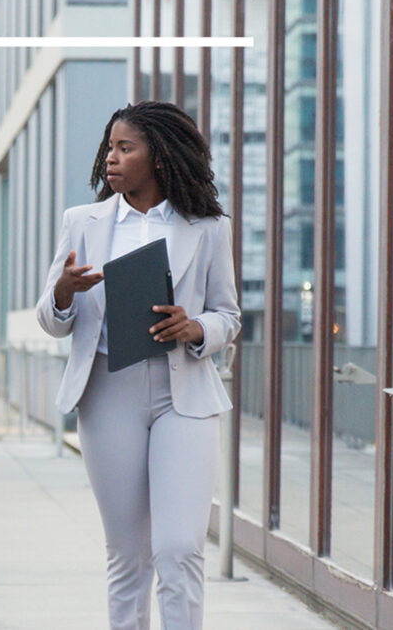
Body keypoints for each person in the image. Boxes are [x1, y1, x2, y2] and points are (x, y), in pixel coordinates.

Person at [37, 101, 241, 630]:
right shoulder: (81, 222)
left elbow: (229, 315)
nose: (112, 157)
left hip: (185, 394)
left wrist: (195, 327)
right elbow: (52, 321)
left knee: (179, 548)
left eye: (126, 148)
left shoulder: (208, 227)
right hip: (109, 392)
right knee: (129, 554)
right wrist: (63, 290)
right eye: (110, 146)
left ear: (160, 155)